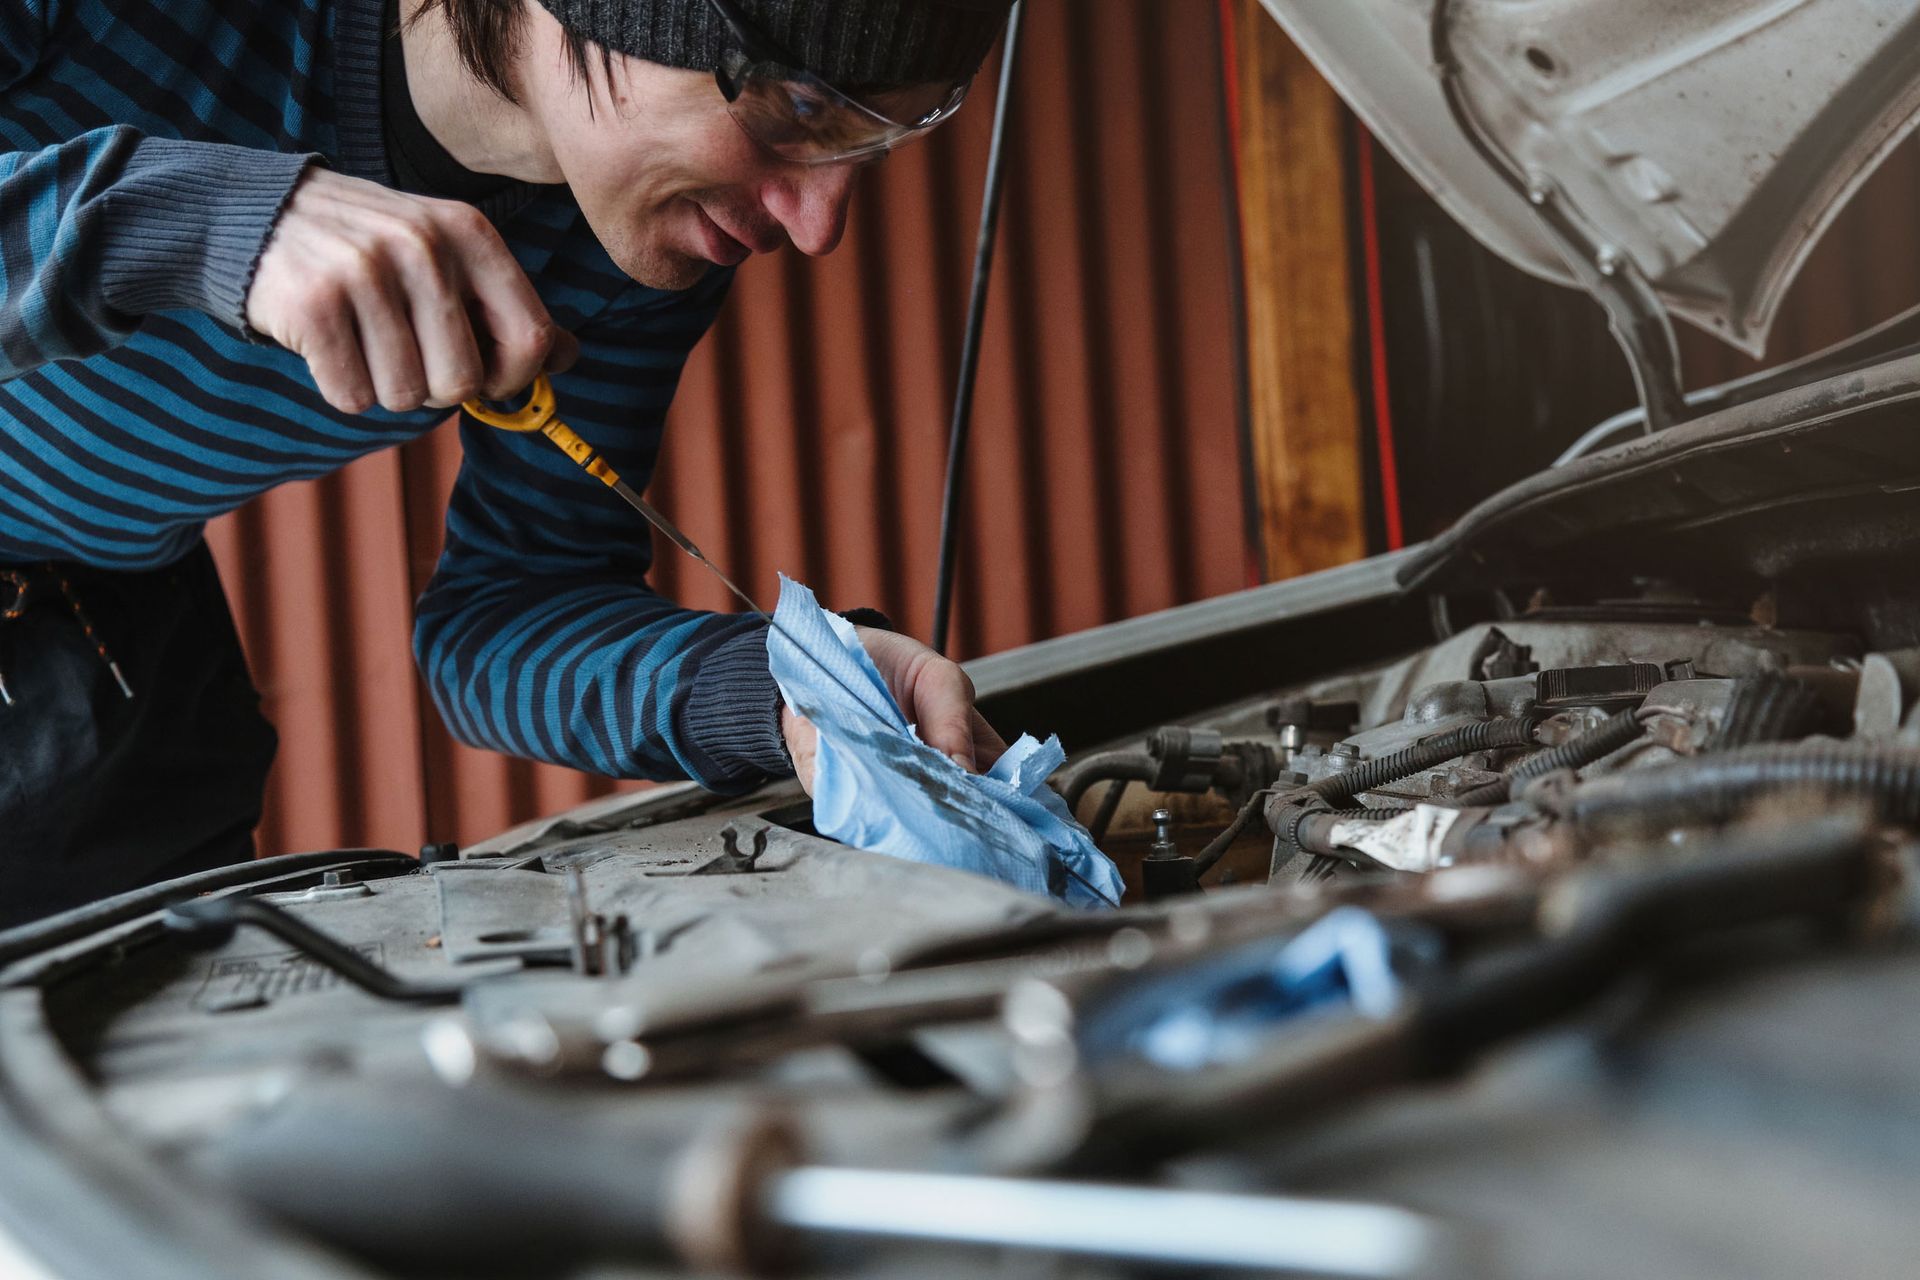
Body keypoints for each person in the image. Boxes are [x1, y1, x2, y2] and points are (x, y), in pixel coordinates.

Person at [0, 0, 1013, 925]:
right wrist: (194, 218)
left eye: (867, 149)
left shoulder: (628, 236)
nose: (818, 224)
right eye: (796, 108)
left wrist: (781, 689)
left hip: (113, 656)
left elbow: (504, 614)